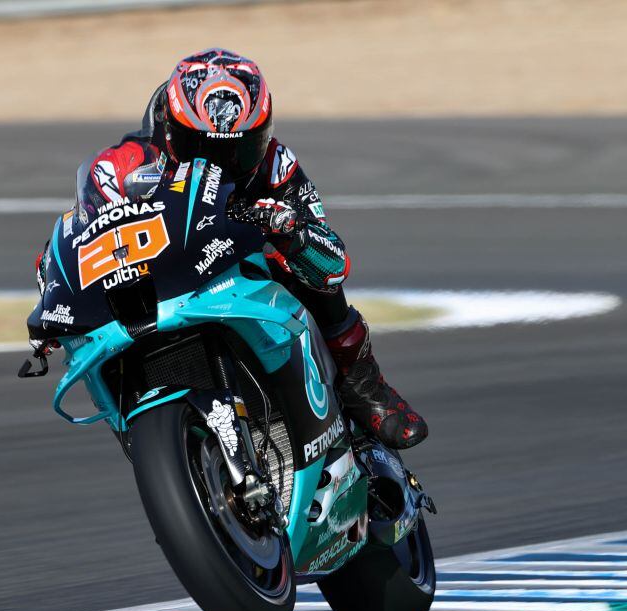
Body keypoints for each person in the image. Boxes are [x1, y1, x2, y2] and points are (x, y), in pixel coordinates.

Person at [34, 48, 427, 450]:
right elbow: (75, 241)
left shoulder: (276, 165)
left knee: (297, 266)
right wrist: (56, 291)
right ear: (170, 128)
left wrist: (289, 230)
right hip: (154, 291)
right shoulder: (121, 167)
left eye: (238, 150)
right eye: (201, 147)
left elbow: (334, 262)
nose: (220, 164)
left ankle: (363, 385)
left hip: (240, 274)